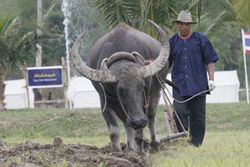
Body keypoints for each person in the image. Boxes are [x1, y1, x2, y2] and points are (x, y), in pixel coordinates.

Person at [169, 10, 219, 147]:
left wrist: (212, 79)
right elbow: (165, 62)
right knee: (179, 113)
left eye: (187, 24)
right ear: (177, 24)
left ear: (191, 25)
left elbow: (210, 61)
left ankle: (196, 144)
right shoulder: (172, 42)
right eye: (182, 24)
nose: (184, 26)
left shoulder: (201, 39)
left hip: (198, 86)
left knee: (198, 118)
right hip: (179, 86)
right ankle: (182, 140)